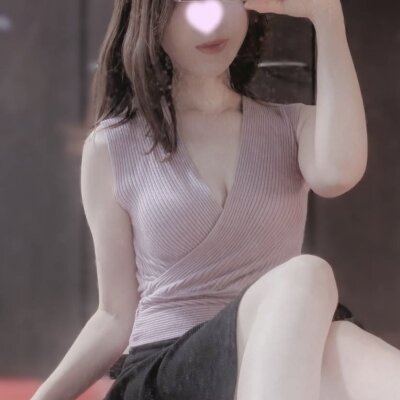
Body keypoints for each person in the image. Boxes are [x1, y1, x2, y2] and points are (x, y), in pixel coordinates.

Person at [31, 1, 400, 400]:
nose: (209, 17)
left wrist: (327, 18)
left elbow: (337, 174)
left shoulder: (292, 125)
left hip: (279, 352)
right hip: (170, 369)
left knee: (341, 341)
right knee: (307, 275)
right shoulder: (113, 146)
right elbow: (114, 316)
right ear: (150, 18)